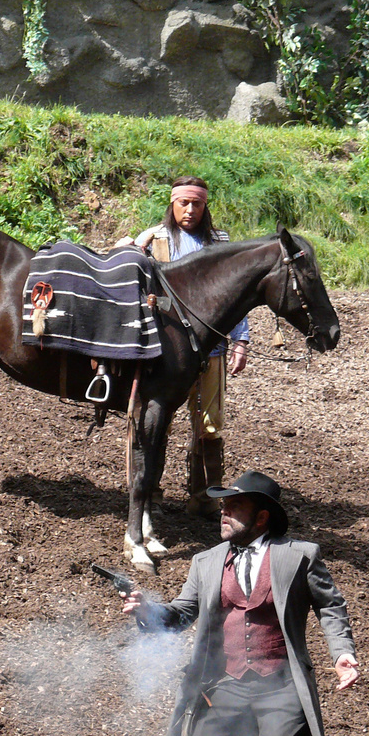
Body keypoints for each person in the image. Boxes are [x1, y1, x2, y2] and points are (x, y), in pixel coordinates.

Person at [121, 470, 359, 736]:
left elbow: (331, 606)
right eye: (223, 506)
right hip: (224, 685)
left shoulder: (299, 555)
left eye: (234, 506)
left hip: (281, 686)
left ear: (263, 517)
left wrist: (342, 653)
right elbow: (178, 616)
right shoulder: (206, 562)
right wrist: (146, 610)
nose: (223, 512)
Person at [120, 177, 251, 518]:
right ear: (172, 204)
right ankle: (152, 494)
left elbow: (234, 297)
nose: (190, 210)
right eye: (184, 203)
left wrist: (241, 339)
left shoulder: (220, 243)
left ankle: (204, 497)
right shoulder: (157, 240)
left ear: (205, 206)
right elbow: (130, 278)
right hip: (167, 352)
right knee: (155, 421)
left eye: (197, 204)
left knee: (209, 424)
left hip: (211, 351)